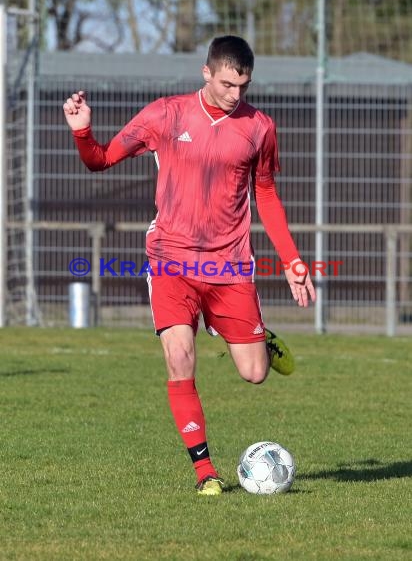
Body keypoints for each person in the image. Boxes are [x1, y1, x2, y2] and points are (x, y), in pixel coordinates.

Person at [63, 35, 316, 496]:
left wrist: (292, 260)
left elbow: (266, 194)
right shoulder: (166, 114)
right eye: (226, 84)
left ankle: (248, 332)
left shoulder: (259, 127)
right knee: (179, 358)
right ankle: (206, 473)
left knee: (254, 373)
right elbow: (99, 161)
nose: (236, 95)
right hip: (170, 260)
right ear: (206, 73)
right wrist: (83, 131)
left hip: (229, 266)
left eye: (244, 85)